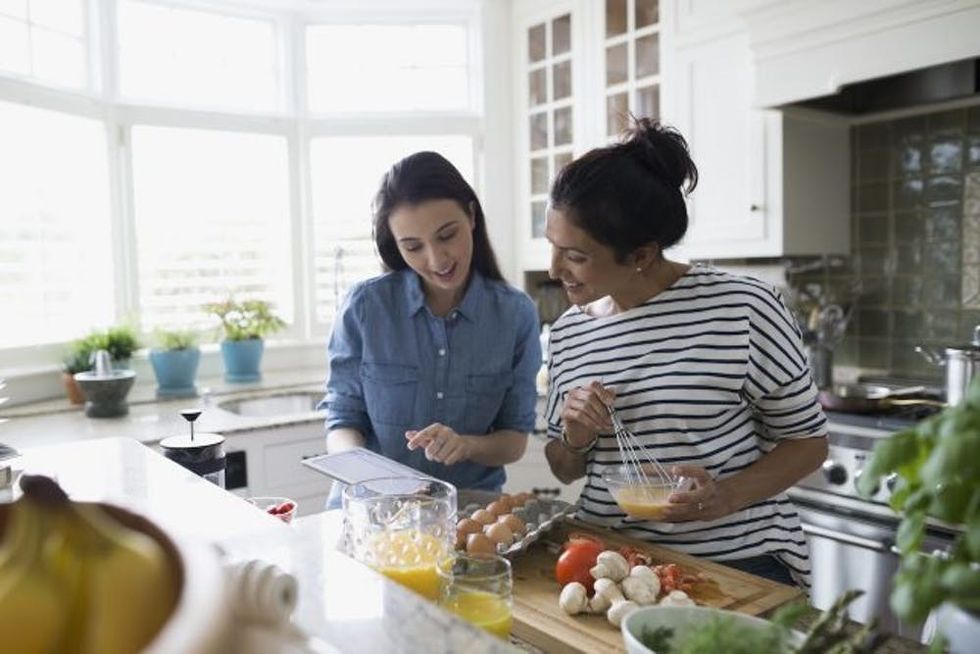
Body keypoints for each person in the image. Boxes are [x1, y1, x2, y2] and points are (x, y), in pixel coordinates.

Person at [542, 118, 828, 588]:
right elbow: (565, 468)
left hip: (735, 565)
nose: (555, 269)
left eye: (575, 255)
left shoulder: (743, 307)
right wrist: (574, 436)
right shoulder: (571, 331)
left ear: (640, 256)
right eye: (553, 245)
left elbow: (809, 443)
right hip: (612, 564)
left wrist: (725, 496)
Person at [322, 151, 541, 506]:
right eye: (413, 246)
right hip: (371, 512)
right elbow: (342, 421)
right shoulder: (365, 307)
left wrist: (467, 444)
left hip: (468, 516)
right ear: (396, 245)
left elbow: (513, 441)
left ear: (471, 216)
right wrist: (372, 477)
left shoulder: (516, 315)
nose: (437, 260)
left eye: (446, 235)